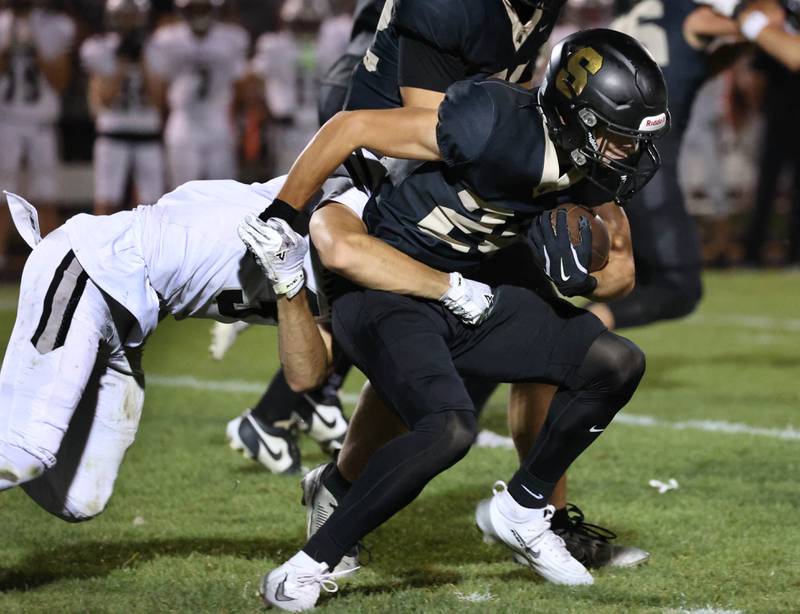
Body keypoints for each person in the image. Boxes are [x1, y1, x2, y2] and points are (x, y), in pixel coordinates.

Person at [258, 29, 669, 610]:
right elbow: (349, 128)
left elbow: (620, 272)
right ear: (576, 117)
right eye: (621, 138)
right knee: (449, 430)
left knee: (616, 362)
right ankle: (306, 565)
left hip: (473, 290)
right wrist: (282, 215)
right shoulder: (492, 121)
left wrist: (579, 276)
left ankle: (523, 510)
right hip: (386, 288)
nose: (632, 155)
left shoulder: (590, 168)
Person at [0, 174, 362, 521]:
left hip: (134, 323)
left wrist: (287, 285)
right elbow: (345, 136)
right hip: (95, 268)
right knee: (26, 453)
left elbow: (306, 376)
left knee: (80, 498)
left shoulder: (360, 285)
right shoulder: (328, 198)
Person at [0, 0, 74, 273]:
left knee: (46, 194)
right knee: (1, 193)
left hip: (42, 120)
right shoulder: (3, 24)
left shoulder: (54, 26)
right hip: (6, 119)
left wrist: (36, 48)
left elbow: (61, 79)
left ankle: (53, 261)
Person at [145, 0, 248, 188]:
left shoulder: (231, 37)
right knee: (182, 193)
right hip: (183, 122)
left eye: (203, 7)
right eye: (194, 8)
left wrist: (241, 122)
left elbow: (240, 86)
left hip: (219, 120)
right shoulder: (167, 39)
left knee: (224, 193)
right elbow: (157, 86)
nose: (199, 13)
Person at [81, 0, 166, 216]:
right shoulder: (100, 47)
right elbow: (105, 98)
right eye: (124, 15)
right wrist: (122, 62)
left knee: (152, 205)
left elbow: (159, 99)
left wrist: (143, 61)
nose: (129, 22)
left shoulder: (157, 48)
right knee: (107, 201)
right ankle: (102, 249)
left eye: (133, 16)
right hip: (113, 132)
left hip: (147, 132)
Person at [738, 0, 800, 265]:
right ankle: (754, 249)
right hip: (779, 115)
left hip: (780, 114)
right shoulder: (775, 25)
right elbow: (759, 72)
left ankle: (792, 252)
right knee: (766, 186)